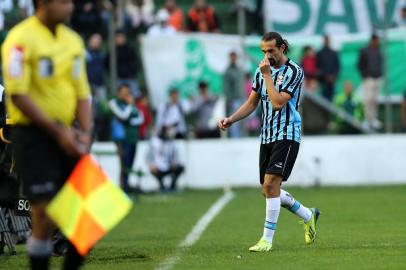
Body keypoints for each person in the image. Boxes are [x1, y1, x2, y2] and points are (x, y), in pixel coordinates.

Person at [2, 0, 92, 269]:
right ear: (42, 3)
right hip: (32, 136)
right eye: (64, 2)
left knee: (88, 215)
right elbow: (17, 94)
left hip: (69, 134)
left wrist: (85, 133)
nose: (71, 7)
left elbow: (82, 93)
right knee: (41, 213)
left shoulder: (73, 41)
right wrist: (57, 131)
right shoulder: (18, 40)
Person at [218, 32, 320, 252]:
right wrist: (231, 119)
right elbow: (252, 103)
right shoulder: (260, 71)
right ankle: (308, 214)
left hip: (287, 133)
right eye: (263, 51)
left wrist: (267, 76)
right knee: (268, 190)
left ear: (282, 48)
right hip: (267, 136)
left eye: (270, 51)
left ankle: (266, 240)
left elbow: (276, 103)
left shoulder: (294, 72)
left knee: (271, 185)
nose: (266, 55)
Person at [109, 84, 144, 194]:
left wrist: (131, 119)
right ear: (119, 93)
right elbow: (123, 116)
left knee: (130, 164)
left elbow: (140, 118)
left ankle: (126, 186)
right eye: (124, 92)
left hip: (133, 138)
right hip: (121, 139)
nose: (126, 94)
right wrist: (130, 107)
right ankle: (124, 189)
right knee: (124, 163)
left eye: (128, 92)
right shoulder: (114, 103)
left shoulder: (131, 105)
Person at [357, 33, 383, 130]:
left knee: (375, 99)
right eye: (376, 40)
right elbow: (359, 65)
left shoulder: (378, 50)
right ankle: (367, 119)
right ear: (373, 40)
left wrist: (380, 74)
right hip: (368, 78)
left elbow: (380, 63)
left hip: (377, 77)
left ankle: (374, 118)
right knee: (368, 99)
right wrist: (365, 75)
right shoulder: (364, 50)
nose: (378, 42)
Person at [148, 126, 184, 192]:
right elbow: (149, 156)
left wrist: (174, 162)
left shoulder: (172, 142)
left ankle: (172, 186)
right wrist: (151, 164)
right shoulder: (155, 141)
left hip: (169, 165)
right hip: (158, 166)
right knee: (153, 170)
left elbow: (175, 154)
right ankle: (162, 186)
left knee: (180, 168)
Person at [223, 51, 245, 138]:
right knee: (234, 120)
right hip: (233, 99)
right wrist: (228, 99)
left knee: (242, 120)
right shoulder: (228, 71)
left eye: (234, 56)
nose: (233, 58)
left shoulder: (239, 69)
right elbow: (226, 87)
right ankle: (235, 139)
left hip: (241, 98)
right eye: (231, 57)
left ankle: (242, 138)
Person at [316, 35, 340, 101]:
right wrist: (325, 76)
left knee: (332, 99)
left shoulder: (334, 53)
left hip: (332, 81)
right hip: (322, 81)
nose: (326, 42)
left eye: (327, 40)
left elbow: (337, 66)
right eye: (325, 40)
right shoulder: (319, 53)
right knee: (322, 100)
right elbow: (317, 67)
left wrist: (333, 76)